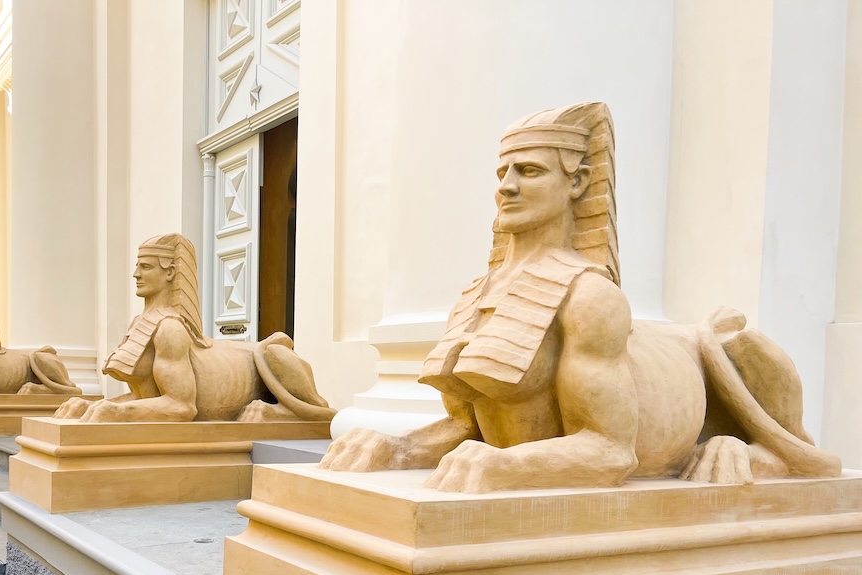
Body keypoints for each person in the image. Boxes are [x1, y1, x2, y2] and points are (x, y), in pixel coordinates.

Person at [320, 102, 838, 491]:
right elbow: (468, 424)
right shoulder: (474, 297)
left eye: (529, 171)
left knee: (738, 343)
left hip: (687, 398)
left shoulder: (591, 300)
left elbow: (611, 451)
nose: (507, 187)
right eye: (503, 173)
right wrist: (399, 446)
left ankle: (772, 452)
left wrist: (508, 464)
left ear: (578, 183)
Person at [54, 233, 333, 422]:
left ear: (171, 273)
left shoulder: (170, 330)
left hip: (261, 362)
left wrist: (117, 412)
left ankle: (289, 412)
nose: (136, 274)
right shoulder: (140, 324)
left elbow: (180, 406)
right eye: (137, 266)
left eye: (146, 266)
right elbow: (149, 399)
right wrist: (96, 405)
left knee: (274, 353)